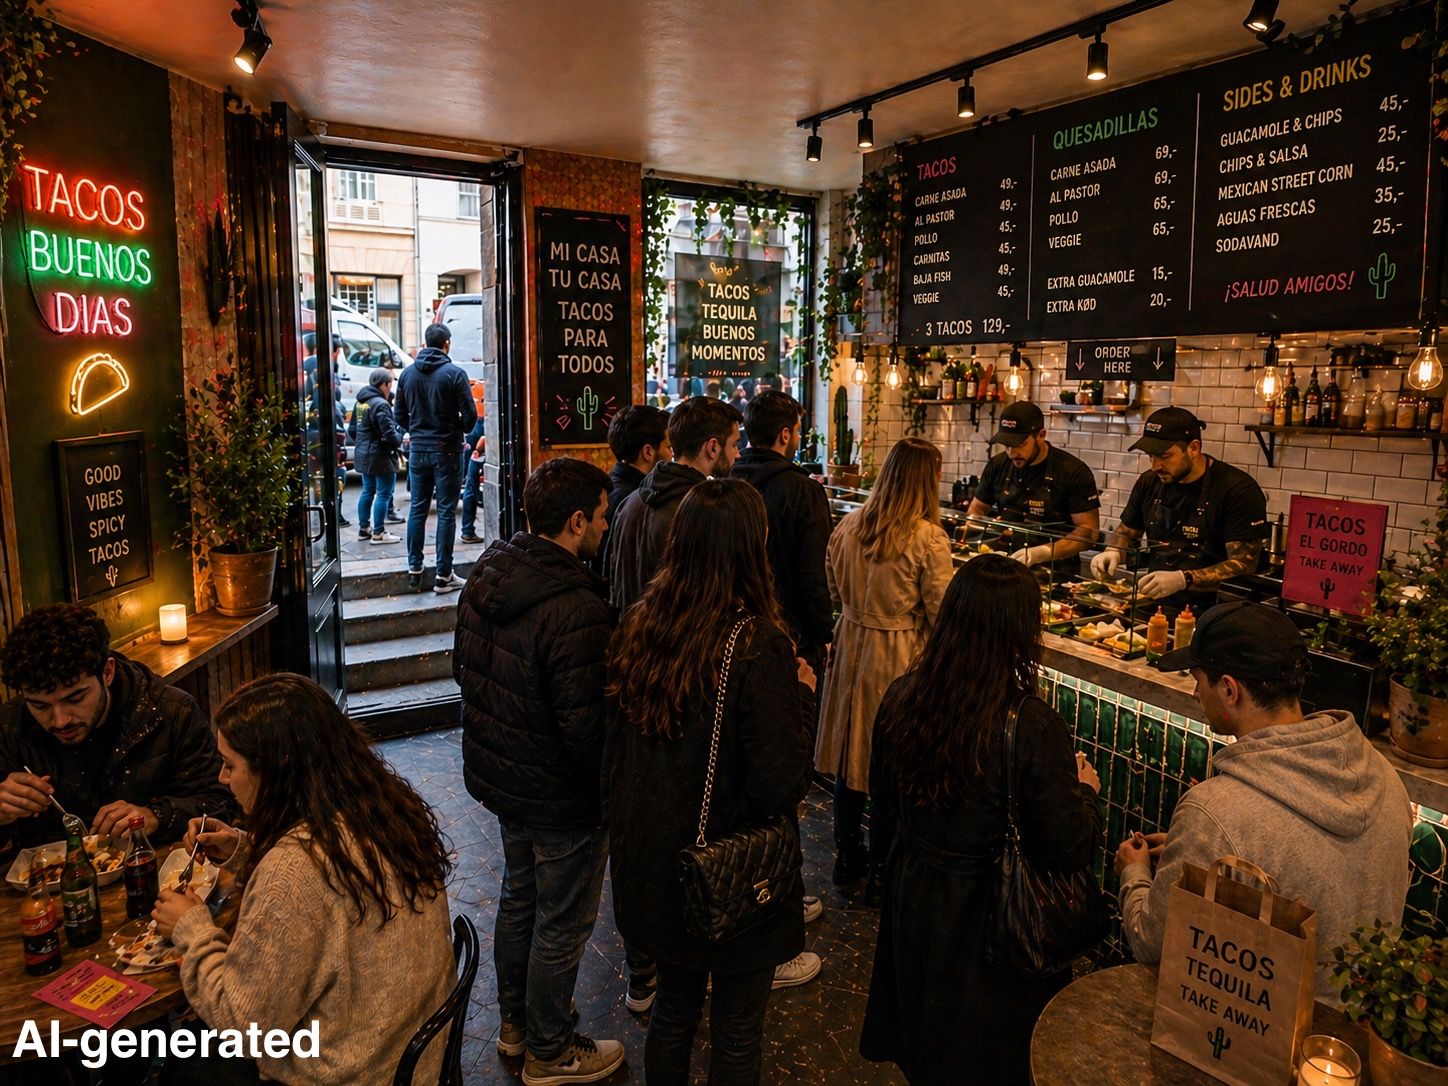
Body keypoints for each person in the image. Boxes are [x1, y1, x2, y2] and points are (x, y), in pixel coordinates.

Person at [604, 479, 819, 1085]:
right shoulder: (757, 643)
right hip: (726, 871)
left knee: (672, 1013)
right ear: (756, 546)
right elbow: (781, 782)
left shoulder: (642, 622)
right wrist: (802, 697)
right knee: (734, 1031)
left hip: (653, 860)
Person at [861, 555, 1102, 1085]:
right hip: (990, 922)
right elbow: (1068, 846)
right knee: (986, 1059)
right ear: (1021, 632)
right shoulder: (1031, 724)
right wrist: (1086, 792)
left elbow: (883, 808)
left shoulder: (902, 696)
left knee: (925, 1046)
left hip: (916, 900)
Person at [150, 674, 456, 1085]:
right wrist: (242, 849)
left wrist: (193, 929)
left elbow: (248, 1029)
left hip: (354, 1069)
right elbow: (331, 892)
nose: (223, 778)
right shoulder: (381, 807)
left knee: (182, 1063)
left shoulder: (293, 870)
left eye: (230, 765)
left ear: (274, 773)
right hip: (407, 1050)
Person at [1114, 601, 1412, 1004]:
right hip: (1358, 1042)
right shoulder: (1385, 777)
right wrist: (1204, 855)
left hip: (1259, 1045)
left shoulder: (1213, 812)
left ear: (1229, 690)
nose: (1195, 692)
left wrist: (1135, 873)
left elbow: (1151, 944)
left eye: (1197, 678)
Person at [453, 456, 626, 1085]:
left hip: (508, 784)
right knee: (561, 922)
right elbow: (587, 731)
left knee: (520, 901)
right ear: (576, 521)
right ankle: (550, 1052)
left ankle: (516, 1028)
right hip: (561, 797)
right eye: (603, 516)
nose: (609, 527)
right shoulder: (575, 607)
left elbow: (464, 672)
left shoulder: (489, 573)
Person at [817, 437, 954, 902]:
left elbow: (833, 588)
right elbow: (942, 612)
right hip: (897, 656)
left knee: (848, 762)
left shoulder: (849, 526)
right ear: (925, 480)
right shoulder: (929, 539)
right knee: (890, 769)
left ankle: (845, 858)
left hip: (851, 646)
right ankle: (881, 872)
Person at [0, 605, 232, 848]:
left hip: (155, 873)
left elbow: (220, 804)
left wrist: (156, 816)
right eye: (40, 706)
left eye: (75, 699)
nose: (60, 720)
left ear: (107, 672)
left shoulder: (171, 712)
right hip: (47, 879)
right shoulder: (11, 726)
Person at [1091, 407, 1268, 616]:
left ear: (1193, 448)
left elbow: (1243, 564)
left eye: (1165, 456)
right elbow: (1127, 532)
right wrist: (1114, 551)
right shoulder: (1150, 482)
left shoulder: (1237, 490)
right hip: (1154, 605)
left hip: (1216, 614)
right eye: (1151, 456)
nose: (1156, 466)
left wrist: (1184, 579)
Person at [608, 396, 742, 614]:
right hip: (680, 646)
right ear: (713, 447)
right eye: (735, 444)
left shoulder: (630, 502)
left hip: (631, 643)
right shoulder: (702, 510)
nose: (738, 453)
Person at [732, 390, 833, 678]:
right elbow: (814, 570)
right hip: (793, 636)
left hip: (736, 628)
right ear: (785, 434)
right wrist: (822, 632)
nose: (798, 439)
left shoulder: (730, 478)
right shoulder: (803, 491)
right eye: (798, 432)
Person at [965, 401, 1100, 574]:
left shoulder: (1073, 472)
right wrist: (974, 536)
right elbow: (977, 509)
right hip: (1003, 566)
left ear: (1041, 435)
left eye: (1020, 444)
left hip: (1056, 573)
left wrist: (1042, 553)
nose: (1011, 453)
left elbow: (1088, 533)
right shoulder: (998, 464)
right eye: (1007, 445)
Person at [394, 322, 478, 593]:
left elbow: (399, 416)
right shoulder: (454, 374)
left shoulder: (407, 375)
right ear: (447, 344)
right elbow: (470, 418)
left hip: (418, 450)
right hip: (448, 450)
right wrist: (454, 427)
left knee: (417, 507)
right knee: (445, 511)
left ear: (425, 343)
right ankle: (443, 576)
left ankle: (414, 570)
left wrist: (417, 431)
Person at [594, 404, 670, 577]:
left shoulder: (610, 488)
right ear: (648, 452)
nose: (671, 455)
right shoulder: (636, 499)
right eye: (668, 447)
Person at [350, 367, 404, 545]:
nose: (391, 388)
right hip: (380, 455)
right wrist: (398, 439)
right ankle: (379, 533)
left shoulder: (361, 403)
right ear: (384, 384)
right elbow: (389, 433)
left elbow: (352, 431)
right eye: (390, 383)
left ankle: (364, 529)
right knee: (384, 493)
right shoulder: (380, 404)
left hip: (363, 454)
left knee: (367, 491)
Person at [459, 414, 486, 545]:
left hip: (473, 425)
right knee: (471, 485)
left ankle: (468, 530)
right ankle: (468, 530)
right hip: (483, 423)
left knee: (471, 484)